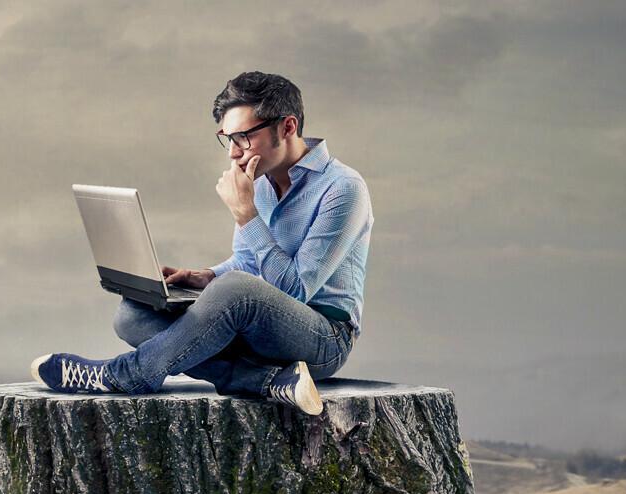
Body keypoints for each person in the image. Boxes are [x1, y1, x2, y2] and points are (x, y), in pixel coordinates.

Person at [31, 71, 372, 416]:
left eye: (243, 137)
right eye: (227, 139)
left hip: (323, 338)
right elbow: (249, 263)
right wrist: (205, 277)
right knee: (132, 315)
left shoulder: (343, 188)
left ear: (287, 127)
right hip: (255, 332)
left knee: (236, 289)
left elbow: (296, 290)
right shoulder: (261, 183)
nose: (233, 153)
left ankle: (124, 375)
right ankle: (267, 381)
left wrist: (246, 215)